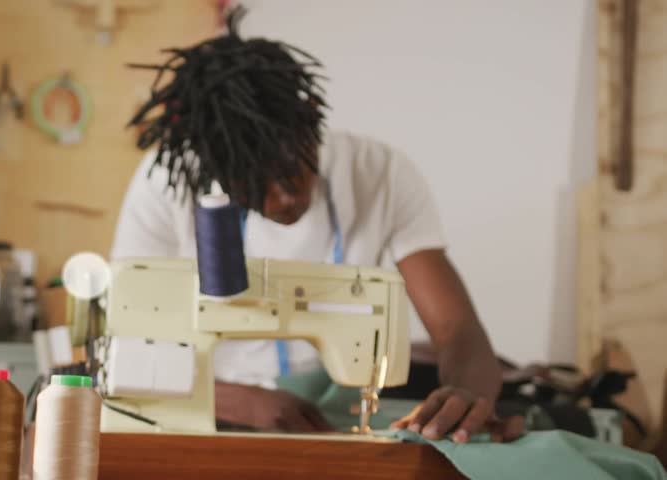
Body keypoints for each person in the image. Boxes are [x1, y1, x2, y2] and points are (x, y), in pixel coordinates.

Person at [111, 9, 523, 443]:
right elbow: (126, 348)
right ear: (214, 169)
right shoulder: (164, 189)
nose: (284, 197)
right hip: (201, 409)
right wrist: (239, 401)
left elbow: (457, 330)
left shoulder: (380, 175)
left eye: (292, 171)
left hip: (327, 408)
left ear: (312, 118)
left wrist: (468, 395)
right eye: (255, 185)